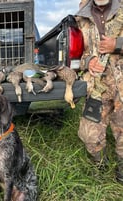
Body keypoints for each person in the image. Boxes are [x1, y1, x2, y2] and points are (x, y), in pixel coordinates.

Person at [75, 0, 123, 183]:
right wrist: (89, 62)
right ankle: (102, 167)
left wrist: (117, 44)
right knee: (89, 135)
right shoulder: (81, 18)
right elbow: (76, 56)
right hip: (97, 87)